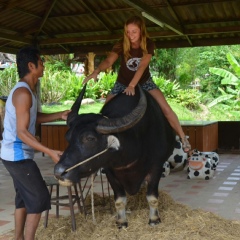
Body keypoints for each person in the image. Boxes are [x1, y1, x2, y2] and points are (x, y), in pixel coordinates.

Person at [83, 15, 191, 152]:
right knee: (104, 111)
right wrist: (97, 70)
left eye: (134, 31)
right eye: (128, 32)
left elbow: (142, 66)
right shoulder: (121, 44)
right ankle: (99, 145)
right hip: (122, 82)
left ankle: (182, 137)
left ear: (141, 31)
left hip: (144, 81)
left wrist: (132, 85)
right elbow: (109, 61)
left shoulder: (148, 44)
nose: (130, 35)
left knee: (165, 109)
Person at [0, 46, 70, 240]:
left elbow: (34, 117)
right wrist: (49, 151)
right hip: (18, 156)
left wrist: (60, 114)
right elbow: (22, 133)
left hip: (14, 155)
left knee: (23, 198)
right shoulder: (22, 94)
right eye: (41, 62)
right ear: (31, 66)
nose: (44, 65)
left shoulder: (27, 91)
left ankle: (18, 238)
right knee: (39, 198)